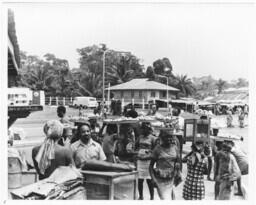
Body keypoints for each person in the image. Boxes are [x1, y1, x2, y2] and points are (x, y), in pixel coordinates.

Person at [149, 130, 181, 200]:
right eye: (167, 137)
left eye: (171, 137)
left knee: (172, 198)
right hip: (160, 179)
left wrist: (178, 172)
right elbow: (151, 166)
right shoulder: (157, 149)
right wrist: (153, 179)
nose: (169, 139)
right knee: (165, 198)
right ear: (162, 138)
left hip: (171, 178)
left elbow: (177, 162)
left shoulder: (175, 148)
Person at [135, 122, 156, 200]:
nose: (142, 130)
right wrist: (138, 152)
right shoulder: (140, 137)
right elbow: (135, 146)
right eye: (142, 129)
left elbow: (155, 150)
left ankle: (152, 197)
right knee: (140, 180)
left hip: (148, 161)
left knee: (149, 180)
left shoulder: (153, 138)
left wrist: (149, 153)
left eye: (144, 129)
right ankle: (141, 196)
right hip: (140, 161)